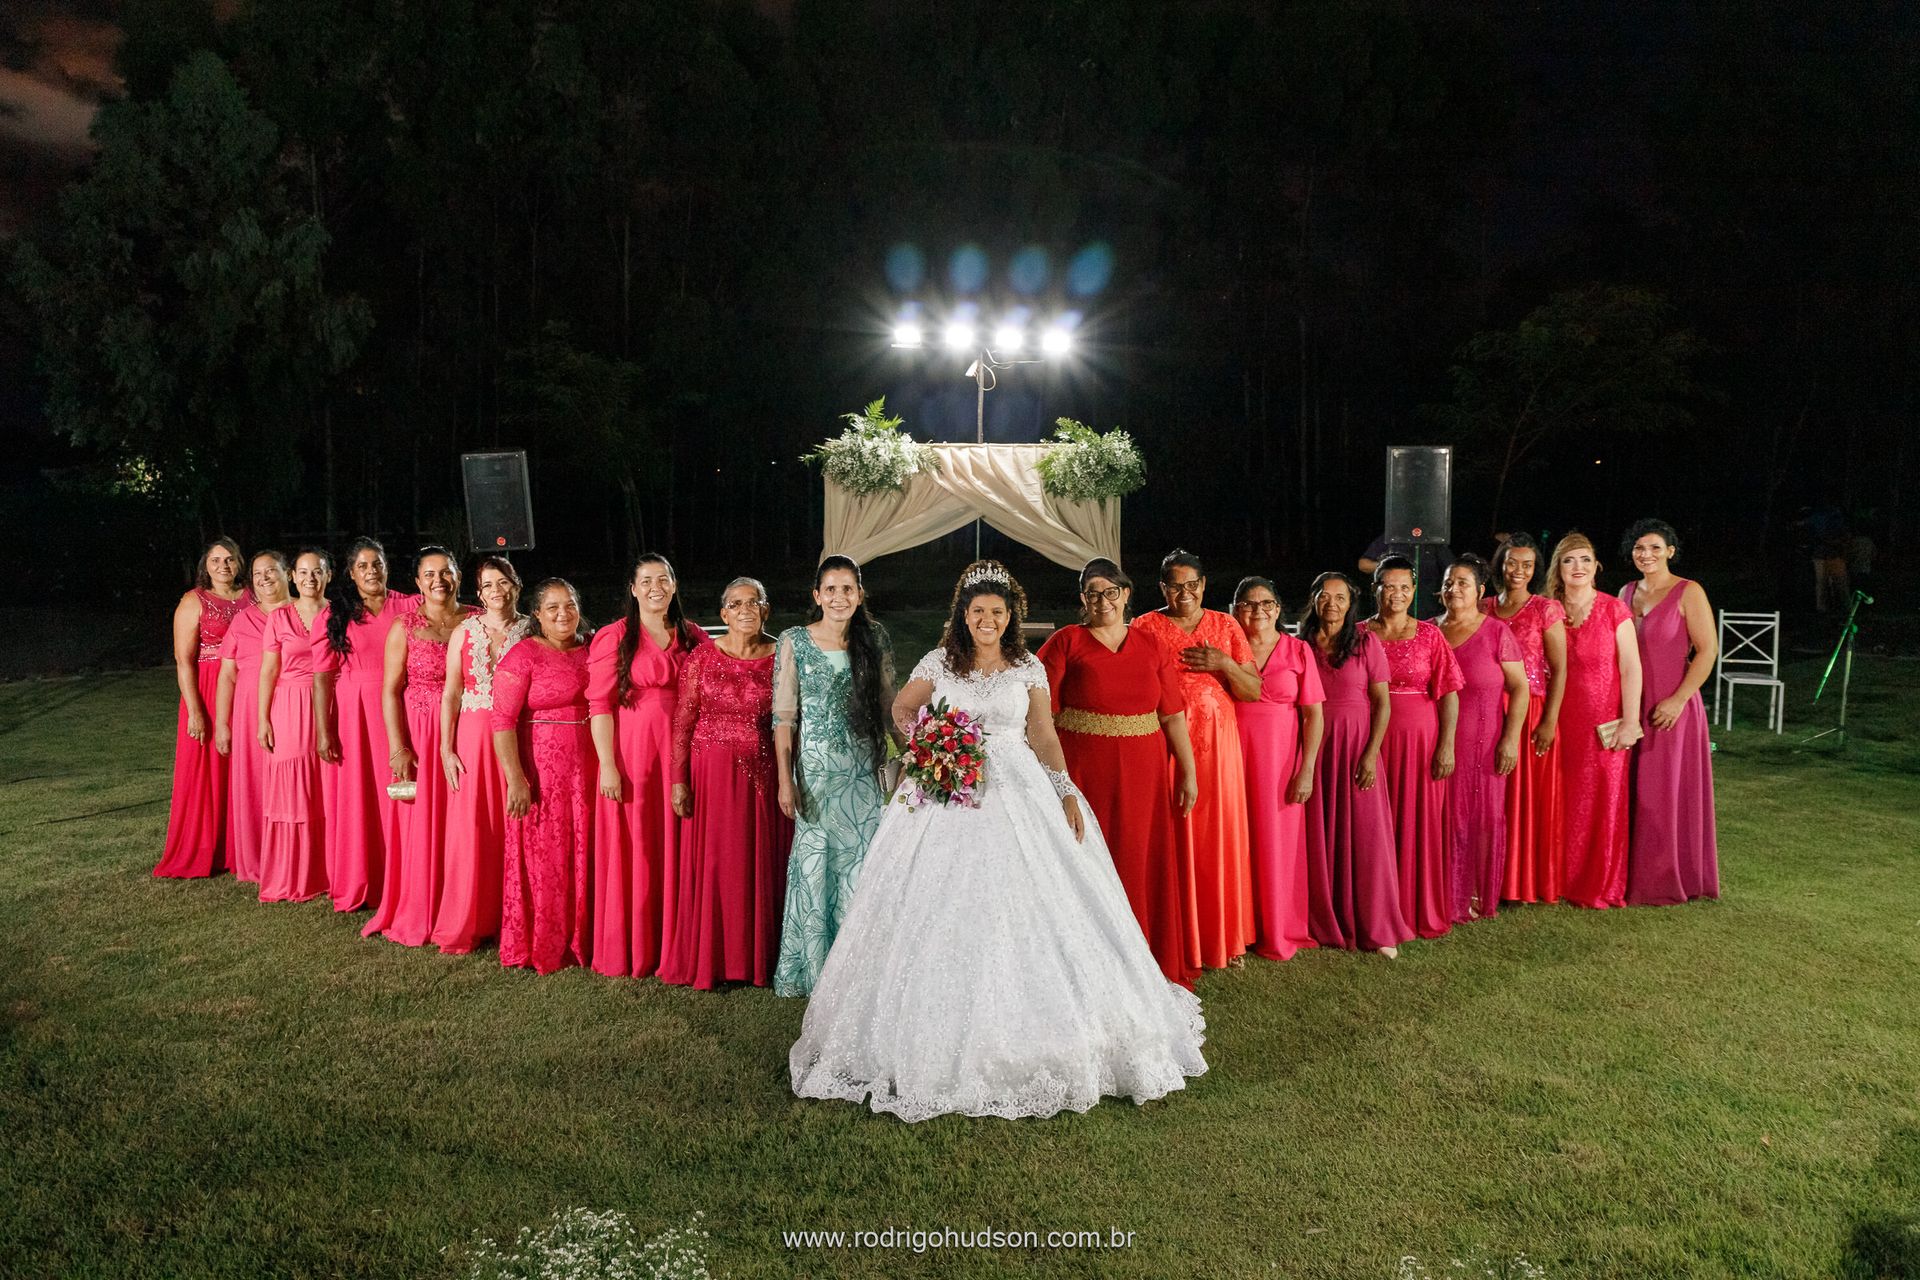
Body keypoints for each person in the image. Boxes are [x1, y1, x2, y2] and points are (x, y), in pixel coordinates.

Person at [790, 561, 1206, 1121]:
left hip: (1017, 783)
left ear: (1011, 618)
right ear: (964, 615)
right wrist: (933, 746)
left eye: (997, 612)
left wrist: (1062, 792)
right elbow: (903, 707)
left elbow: (1043, 735)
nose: (987, 619)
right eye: (978, 611)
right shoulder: (940, 662)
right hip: (949, 790)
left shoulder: (1028, 666)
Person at [1037, 558, 1200, 986]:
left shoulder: (1150, 645)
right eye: (1093, 593)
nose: (1103, 600)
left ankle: (1140, 958)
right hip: (1084, 769)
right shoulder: (1065, 643)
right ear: (1082, 600)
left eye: (1111, 591)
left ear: (1126, 595)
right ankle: (1083, 964)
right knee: (1087, 856)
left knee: (1138, 857)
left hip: (1145, 770)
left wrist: (1188, 771)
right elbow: (1039, 717)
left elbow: (1172, 716)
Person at [771, 555, 895, 997]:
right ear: (817, 596)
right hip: (817, 776)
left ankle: (858, 970)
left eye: (848, 589)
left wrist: (921, 748)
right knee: (817, 865)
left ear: (860, 595)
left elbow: (888, 708)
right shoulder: (794, 642)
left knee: (860, 867)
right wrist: (786, 779)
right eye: (831, 589)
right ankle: (816, 968)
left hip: (863, 774)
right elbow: (783, 717)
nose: (840, 597)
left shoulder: (873, 638)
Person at [1132, 549, 1260, 971]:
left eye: (1192, 585)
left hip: (1218, 745)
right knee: (1170, 832)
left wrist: (1224, 663)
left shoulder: (1225, 626)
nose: (1183, 593)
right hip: (1165, 740)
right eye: (1174, 585)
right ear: (1162, 588)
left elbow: (1253, 691)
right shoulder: (1146, 626)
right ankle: (1171, 936)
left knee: (1216, 835)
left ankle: (1222, 937)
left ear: (1204, 585)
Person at [662, 578, 792, 989]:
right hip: (711, 775)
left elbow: (793, 721)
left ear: (767, 610)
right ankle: (713, 958)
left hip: (763, 772)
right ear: (723, 615)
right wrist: (678, 781)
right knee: (717, 864)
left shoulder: (782, 658)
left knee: (758, 863)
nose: (746, 610)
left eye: (755, 602)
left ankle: (756, 958)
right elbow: (682, 724)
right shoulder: (701, 658)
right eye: (736, 604)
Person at [587, 553, 709, 979]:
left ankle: (680, 941)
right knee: (638, 843)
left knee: (682, 838)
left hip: (686, 750)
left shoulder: (692, 636)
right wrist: (607, 765)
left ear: (674, 585)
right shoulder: (615, 636)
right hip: (635, 752)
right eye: (646, 580)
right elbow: (599, 705)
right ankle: (637, 945)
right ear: (634, 589)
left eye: (664, 579)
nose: (656, 587)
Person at [363, 547, 474, 946]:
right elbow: (390, 691)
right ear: (417, 582)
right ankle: (425, 904)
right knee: (425, 822)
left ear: (459, 575)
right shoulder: (404, 625)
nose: (438, 580)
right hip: (422, 731)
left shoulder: (476, 618)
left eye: (446, 572)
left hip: (468, 728)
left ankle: (465, 904)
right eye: (429, 574)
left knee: (466, 820)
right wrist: (399, 747)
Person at [1300, 572, 1409, 956]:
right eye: (1325, 596)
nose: (1332, 603)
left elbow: (1383, 704)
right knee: (1320, 835)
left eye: (1340, 598)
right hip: (1315, 748)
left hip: (1356, 747)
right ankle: (1324, 919)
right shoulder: (1302, 645)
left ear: (1351, 603)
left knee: (1367, 837)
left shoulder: (1366, 642)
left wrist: (1370, 752)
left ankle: (1377, 927)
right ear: (1314, 600)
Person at [492, 579, 596, 974]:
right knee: (547, 854)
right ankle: (548, 940)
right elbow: (501, 721)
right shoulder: (523, 656)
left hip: (587, 768)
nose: (562, 614)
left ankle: (585, 936)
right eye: (552, 608)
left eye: (569, 605)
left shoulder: (589, 650)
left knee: (584, 846)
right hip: (543, 771)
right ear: (536, 614)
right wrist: (515, 779)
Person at [433, 556, 530, 953]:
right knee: (474, 826)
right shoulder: (464, 631)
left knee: (515, 823)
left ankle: (513, 919)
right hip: (473, 736)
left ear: (516, 586)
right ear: (479, 592)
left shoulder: (531, 629)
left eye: (503, 582)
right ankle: (470, 918)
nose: (496, 591)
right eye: (488, 584)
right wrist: (446, 747)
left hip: (518, 735)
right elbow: (452, 691)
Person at [1619, 519, 1720, 905]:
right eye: (1640, 548)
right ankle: (1627, 873)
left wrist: (1678, 700)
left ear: (1671, 551)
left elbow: (1708, 650)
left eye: (1656, 548)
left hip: (1671, 705)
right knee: (1633, 791)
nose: (1647, 555)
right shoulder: (1626, 592)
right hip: (1633, 704)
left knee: (1664, 793)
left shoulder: (1688, 591)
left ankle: (1665, 877)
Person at [1363, 556, 1463, 940]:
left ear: (1415, 590)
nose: (1398, 594)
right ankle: (1376, 906)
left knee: (1417, 820)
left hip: (1420, 740)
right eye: (1390, 586)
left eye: (1405, 587)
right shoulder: (1359, 634)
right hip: (1371, 737)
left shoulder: (1429, 635)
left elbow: (1449, 694)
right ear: (1376, 589)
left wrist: (1447, 745)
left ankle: (1414, 907)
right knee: (1375, 821)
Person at [319, 537, 420, 912]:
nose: (371, 571)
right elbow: (322, 675)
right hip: (356, 711)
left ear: (386, 566)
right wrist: (324, 729)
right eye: (362, 566)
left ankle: (407, 875)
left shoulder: (410, 604)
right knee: (362, 794)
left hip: (402, 703)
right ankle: (366, 877)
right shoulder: (339, 612)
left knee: (402, 789)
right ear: (350, 572)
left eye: (376, 563)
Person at [1230, 577, 1325, 961]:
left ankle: (1276, 927)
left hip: (1281, 762)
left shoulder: (1298, 650)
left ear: (1277, 607)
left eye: (1266, 603)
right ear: (1236, 609)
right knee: (1237, 843)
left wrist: (1307, 769)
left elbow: (1314, 716)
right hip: (1234, 758)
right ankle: (1238, 929)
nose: (1259, 611)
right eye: (1249, 604)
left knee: (1276, 845)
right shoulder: (1229, 649)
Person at [1547, 532, 1643, 910]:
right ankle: (1552, 878)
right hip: (1556, 721)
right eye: (1569, 560)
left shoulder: (1614, 609)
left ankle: (1596, 883)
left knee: (1602, 801)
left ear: (1596, 566)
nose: (1578, 567)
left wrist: (1630, 720)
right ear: (1558, 567)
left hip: (1602, 724)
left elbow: (1631, 667)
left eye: (1585, 559)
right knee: (1558, 801)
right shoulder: (1548, 608)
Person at [155, 537, 252, 879]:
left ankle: (242, 846)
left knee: (243, 768)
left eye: (229, 559)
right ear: (205, 565)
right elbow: (184, 660)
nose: (223, 566)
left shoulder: (251, 598)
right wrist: (195, 710)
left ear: (239, 563)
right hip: (208, 689)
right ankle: (202, 850)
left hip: (247, 687)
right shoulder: (193, 601)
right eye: (216, 560)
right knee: (206, 770)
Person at [1438, 556, 1528, 921]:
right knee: (1443, 818)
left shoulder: (1496, 632)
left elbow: (1520, 689)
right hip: (1439, 741)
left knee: (1482, 817)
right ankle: (1440, 892)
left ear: (1479, 591)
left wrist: (1511, 739)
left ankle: (1474, 893)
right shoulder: (1430, 630)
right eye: (1448, 582)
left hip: (1484, 742)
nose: (1453, 589)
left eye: (1462, 582)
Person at [1481, 532, 1568, 905]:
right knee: (1491, 797)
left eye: (1527, 564)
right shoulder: (1483, 607)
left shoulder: (1544, 609)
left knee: (1525, 802)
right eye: (1512, 562)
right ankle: (1487, 877)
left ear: (1536, 569)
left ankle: (1520, 882)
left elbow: (1560, 669)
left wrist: (1549, 721)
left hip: (1530, 711)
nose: (1518, 570)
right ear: (1501, 563)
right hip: (1487, 711)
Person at [256, 549, 335, 903]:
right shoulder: (279, 618)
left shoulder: (339, 613)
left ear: (328, 575)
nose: (309, 579)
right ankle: (294, 873)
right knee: (294, 788)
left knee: (326, 787)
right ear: (292, 577)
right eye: (302, 573)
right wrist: (263, 718)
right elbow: (268, 671)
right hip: (289, 706)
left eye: (316, 572)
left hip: (332, 704)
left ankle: (330, 869)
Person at [213, 550, 292, 886]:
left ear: (287, 573)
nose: (263, 579)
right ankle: (259, 857)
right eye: (257, 574)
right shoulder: (243, 620)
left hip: (290, 705)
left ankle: (293, 856)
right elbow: (227, 674)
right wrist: (222, 722)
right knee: (256, 784)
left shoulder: (304, 612)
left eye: (271, 571)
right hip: (248, 710)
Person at [1358, 535, 1455, 621]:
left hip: (1427, 603)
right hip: (1391, 603)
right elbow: (1363, 564)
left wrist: (1446, 590)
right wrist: (1390, 566)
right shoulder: (1390, 537)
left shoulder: (1435, 541)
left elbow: (1453, 570)